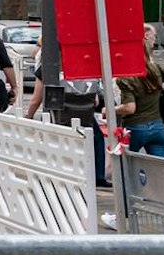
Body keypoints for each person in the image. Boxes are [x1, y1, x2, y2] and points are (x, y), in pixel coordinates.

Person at [24, 37, 109, 186]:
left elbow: (36, 99)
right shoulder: (83, 64)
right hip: (85, 115)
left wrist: (29, 116)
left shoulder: (48, 68)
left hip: (61, 116)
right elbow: (95, 100)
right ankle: (99, 176)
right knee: (97, 138)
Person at [115, 27, 164, 158]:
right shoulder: (158, 68)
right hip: (158, 127)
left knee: (123, 166)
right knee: (158, 170)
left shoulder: (126, 77)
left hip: (134, 128)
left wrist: (109, 110)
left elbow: (130, 108)